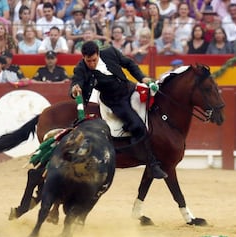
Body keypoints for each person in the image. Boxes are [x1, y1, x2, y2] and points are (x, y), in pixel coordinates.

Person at [70, 40, 168, 179]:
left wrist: (142, 77)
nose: (91, 64)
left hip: (130, 88)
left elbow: (129, 63)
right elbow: (76, 82)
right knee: (137, 126)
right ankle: (152, 164)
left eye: (94, 60)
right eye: (88, 61)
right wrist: (75, 89)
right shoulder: (81, 68)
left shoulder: (109, 52)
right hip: (115, 101)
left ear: (98, 53)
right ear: (83, 58)